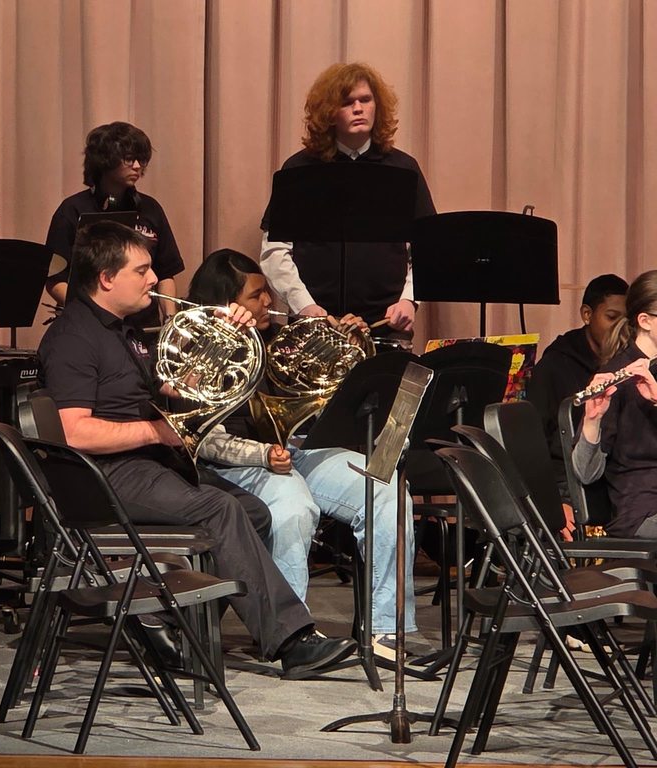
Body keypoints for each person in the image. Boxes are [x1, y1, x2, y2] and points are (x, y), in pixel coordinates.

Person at [37, 220, 356, 676]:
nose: (154, 279)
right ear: (107, 278)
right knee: (218, 508)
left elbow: (168, 393)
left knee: (253, 510)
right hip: (103, 475)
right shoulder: (73, 339)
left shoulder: (121, 330)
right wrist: (156, 432)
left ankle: (166, 623)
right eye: (142, 270)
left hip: (145, 463)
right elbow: (74, 433)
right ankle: (291, 640)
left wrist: (226, 341)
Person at [187, 249, 417, 659]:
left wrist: (349, 344)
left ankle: (386, 631)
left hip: (292, 452)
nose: (269, 303)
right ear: (226, 303)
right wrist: (262, 456)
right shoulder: (198, 348)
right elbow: (202, 439)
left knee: (383, 484)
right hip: (231, 466)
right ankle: (295, 637)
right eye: (256, 296)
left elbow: (331, 396)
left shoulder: (278, 339)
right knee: (294, 505)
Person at [259, 62, 435, 339]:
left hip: (385, 327)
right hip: (316, 325)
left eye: (365, 100)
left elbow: (427, 248)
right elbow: (275, 249)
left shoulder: (403, 169)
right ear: (329, 113)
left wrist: (409, 300)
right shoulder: (299, 169)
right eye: (347, 102)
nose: (358, 108)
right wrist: (303, 304)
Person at [45, 122, 183, 327]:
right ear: (104, 161)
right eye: (129, 159)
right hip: (90, 327)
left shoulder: (151, 208)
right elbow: (54, 278)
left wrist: (170, 321)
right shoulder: (72, 210)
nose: (137, 166)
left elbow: (165, 273)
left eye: (141, 160)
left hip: (143, 327)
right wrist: (92, 313)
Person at [572, 270, 657, 538]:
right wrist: (592, 421)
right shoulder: (618, 376)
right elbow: (586, 474)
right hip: (643, 508)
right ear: (645, 321)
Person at [527, 274, 628, 500]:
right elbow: (533, 446)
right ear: (587, 314)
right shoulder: (554, 365)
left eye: (626, 321)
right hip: (566, 485)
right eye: (612, 317)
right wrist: (550, 504)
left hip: (612, 481)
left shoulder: (626, 363)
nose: (620, 328)